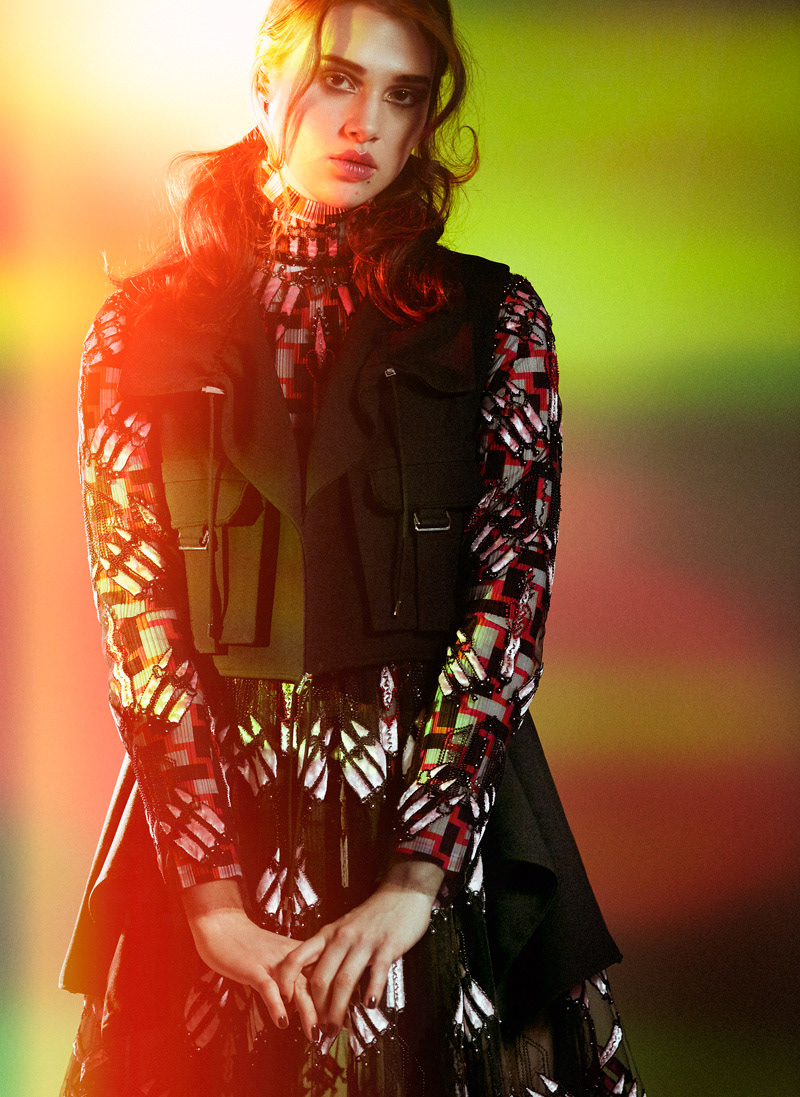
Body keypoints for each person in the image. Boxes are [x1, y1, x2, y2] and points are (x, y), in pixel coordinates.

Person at [60, 2, 645, 1095]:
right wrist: (210, 900)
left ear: (425, 121)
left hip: (440, 838)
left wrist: (415, 879)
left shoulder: (495, 319)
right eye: (337, 78)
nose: (364, 122)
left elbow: (508, 607)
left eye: (402, 94)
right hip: (212, 829)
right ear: (265, 82)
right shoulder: (135, 331)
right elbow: (138, 624)